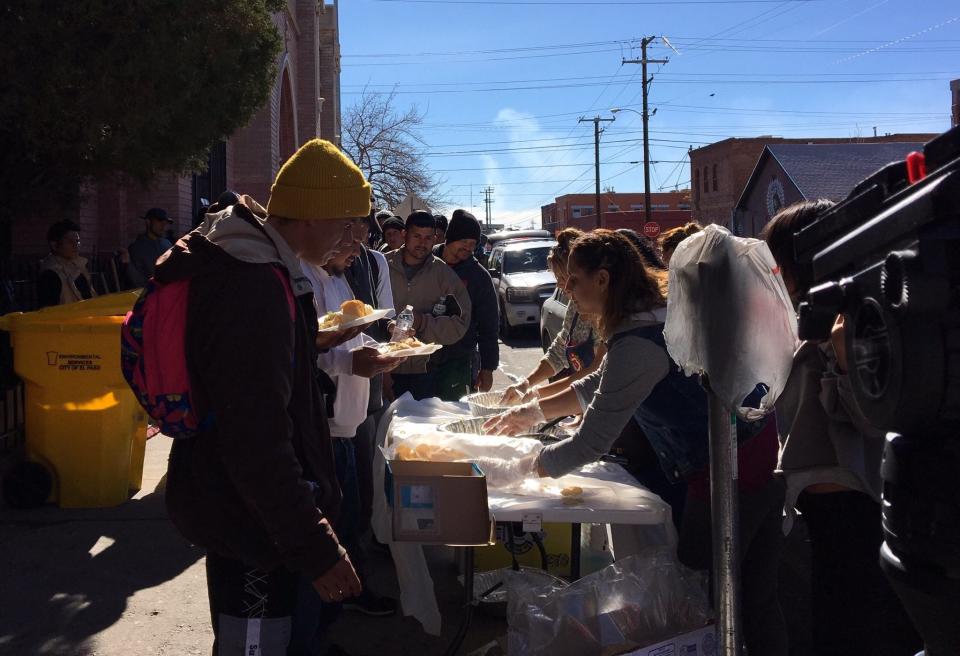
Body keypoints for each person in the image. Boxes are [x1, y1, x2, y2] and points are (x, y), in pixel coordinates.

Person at [484, 229, 788, 656]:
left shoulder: (639, 340)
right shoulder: (648, 316)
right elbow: (602, 384)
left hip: (728, 464)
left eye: (574, 280)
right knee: (751, 590)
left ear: (604, 280)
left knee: (710, 589)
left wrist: (517, 471)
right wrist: (532, 413)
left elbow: (589, 442)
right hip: (747, 449)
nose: (567, 291)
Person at [159, 139, 368, 655]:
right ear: (312, 216)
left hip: (260, 522)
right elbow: (256, 441)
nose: (350, 240)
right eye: (344, 223)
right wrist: (315, 549)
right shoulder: (252, 285)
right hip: (253, 529)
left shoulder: (261, 266)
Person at [762, 200, 921, 656]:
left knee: (859, 630)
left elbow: (876, 422)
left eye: (778, 261)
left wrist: (846, 363)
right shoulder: (811, 317)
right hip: (824, 513)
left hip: (857, 510)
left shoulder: (853, 321)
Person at [296, 240, 403, 642]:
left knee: (350, 523)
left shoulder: (337, 279)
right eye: (346, 231)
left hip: (348, 423)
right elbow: (303, 352)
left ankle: (328, 625)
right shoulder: (299, 278)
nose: (357, 245)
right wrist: (351, 362)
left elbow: (348, 342)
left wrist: (381, 352)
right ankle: (314, 633)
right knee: (326, 540)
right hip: (322, 430)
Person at [499, 228, 603, 405]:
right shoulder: (574, 305)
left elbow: (597, 374)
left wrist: (538, 396)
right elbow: (559, 351)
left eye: (565, 278)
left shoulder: (608, 315)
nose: (563, 286)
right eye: (559, 279)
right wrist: (525, 384)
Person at [383, 210, 471, 400]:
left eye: (428, 238)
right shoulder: (382, 266)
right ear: (404, 234)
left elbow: (461, 321)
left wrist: (423, 323)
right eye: (416, 236)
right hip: (383, 369)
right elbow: (367, 310)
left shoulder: (443, 274)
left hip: (426, 372)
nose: (422, 243)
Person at [432, 209, 499, 399]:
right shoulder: (428, 263)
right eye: (464, 242)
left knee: (453, 414)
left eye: (472, 244)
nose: (469, 248)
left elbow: (489, 325)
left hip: (459, 360)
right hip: (420, 360)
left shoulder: (478, 276)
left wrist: (488, 367)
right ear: (450, 238)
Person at [38, 220, 99, 307]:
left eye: (77, 241)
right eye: (70, 242)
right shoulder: (50, 274)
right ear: (54, 245)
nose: (76, 245)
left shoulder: (80, 267)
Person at [126, 207, 174, 287]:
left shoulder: (167, 244)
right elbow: (137, 281)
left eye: (165, 222)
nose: (163, 225)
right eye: (159, 221)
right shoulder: (136, 248)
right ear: (148, 222)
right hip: (150, 294)